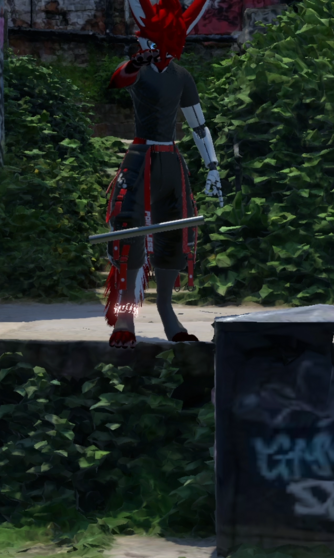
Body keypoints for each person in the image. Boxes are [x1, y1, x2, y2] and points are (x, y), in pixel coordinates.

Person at [102, 0, 225, 348]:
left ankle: (166, 309)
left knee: (175, 234)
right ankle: (125, 316)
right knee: (129, 234)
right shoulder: (139, 69)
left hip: (171, 161)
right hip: (141, 158)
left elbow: (198, 125)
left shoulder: (182, 76)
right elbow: (119, 78)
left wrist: (213, 168)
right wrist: (135, 63)